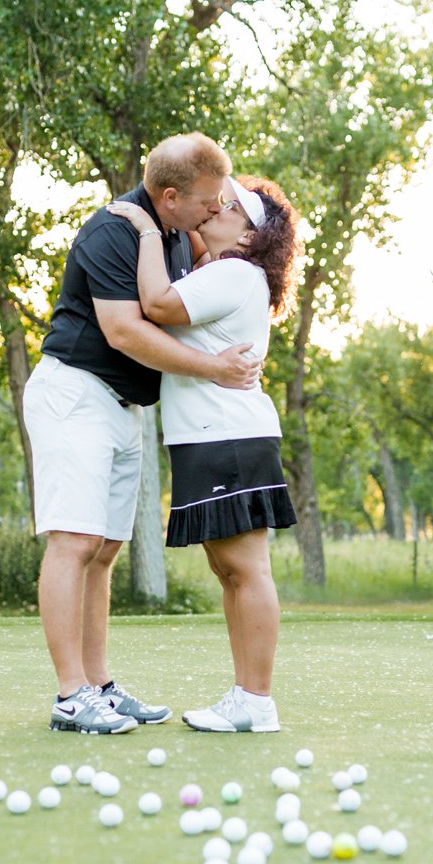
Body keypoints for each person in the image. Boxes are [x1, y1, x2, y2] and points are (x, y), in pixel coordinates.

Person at [24, 133, 262, 735]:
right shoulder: (111, 231)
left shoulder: (179, 236)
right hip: (74, 394)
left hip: (125, 407)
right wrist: (216, 369)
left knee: (104, 551)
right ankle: (70, 694)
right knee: (73, 543)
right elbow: (126, 332)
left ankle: (99, 684)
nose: (216, 209)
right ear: (172, 195)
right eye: (209, 200)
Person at [109, 174, 299, 733]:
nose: (217, 206)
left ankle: (257, 700)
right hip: (211, 437)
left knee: (245, 568)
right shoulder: (219, 271)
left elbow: (157, 304)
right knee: (228, 569)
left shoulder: (236, 273)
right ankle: (245, 695)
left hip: (229, 437)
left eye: (232, 206)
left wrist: (145, 228)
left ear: (250, 235)